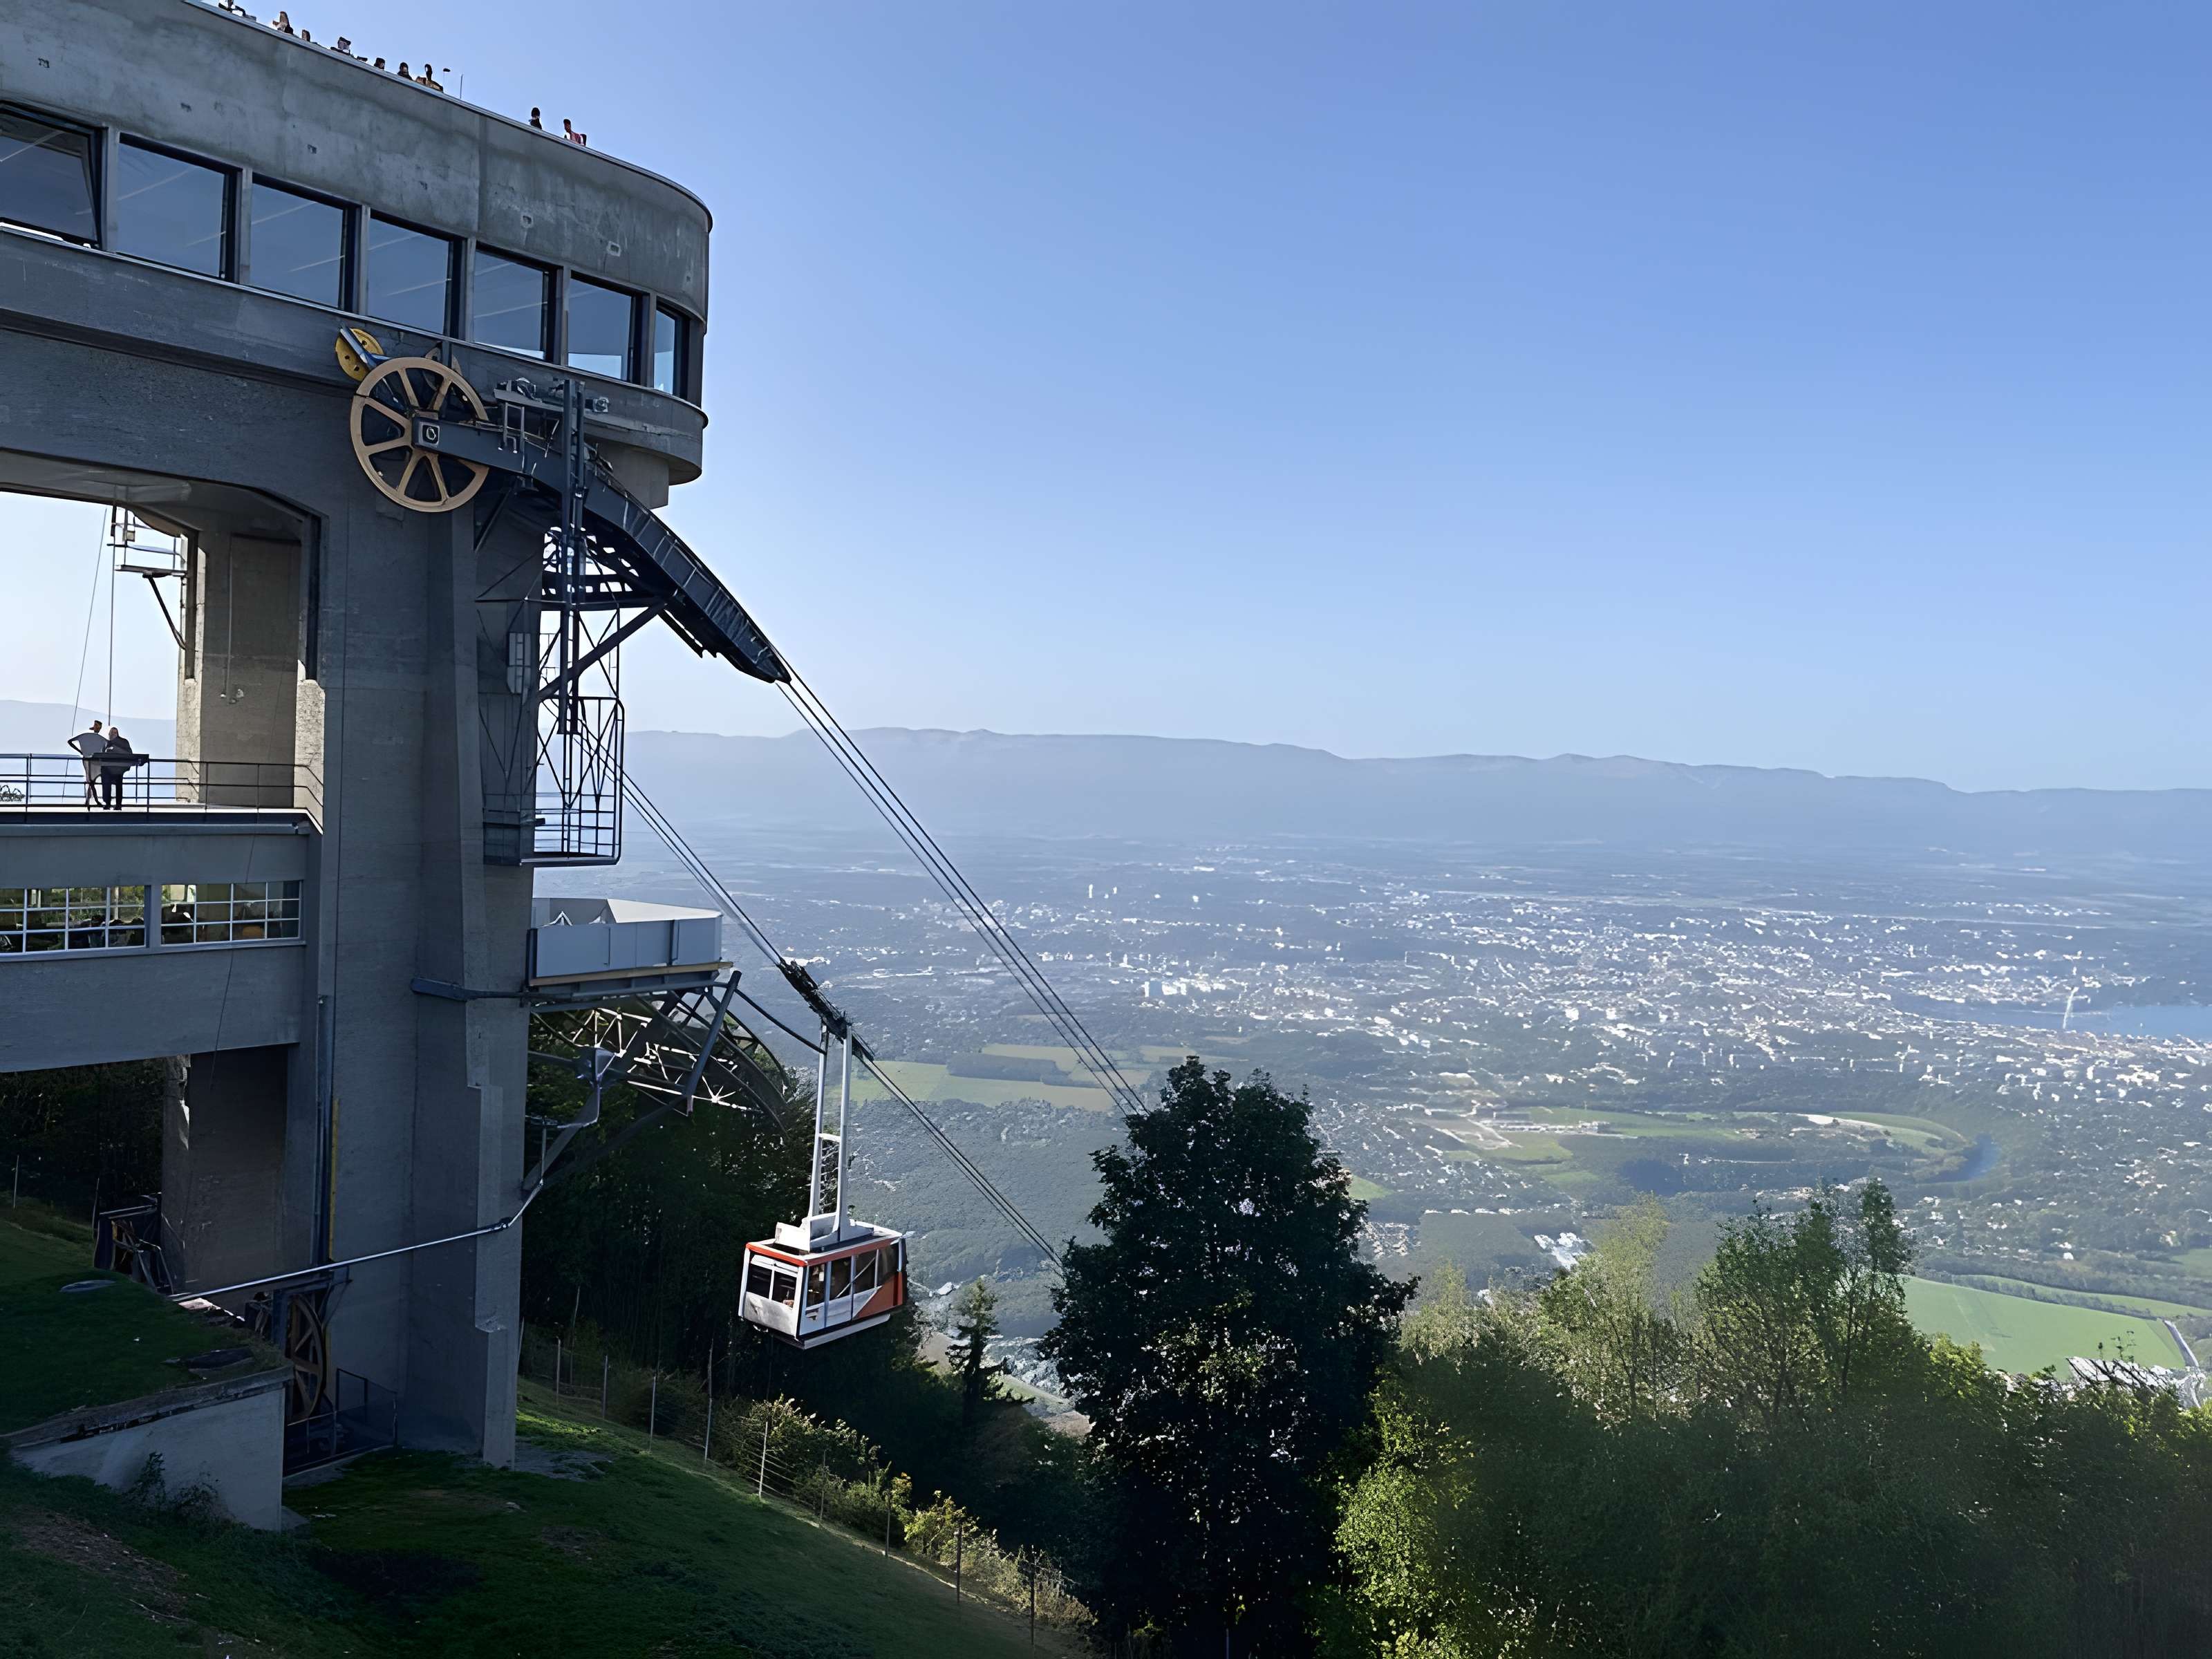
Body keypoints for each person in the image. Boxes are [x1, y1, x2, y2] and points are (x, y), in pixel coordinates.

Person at [67, 720, 106, 805]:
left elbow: (70, 742)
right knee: (91, 781)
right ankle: (93, 800)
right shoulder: (99, 738)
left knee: (91, 780)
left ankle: (89, 800)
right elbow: (108, 744)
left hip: (90, 759)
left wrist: (81, 751)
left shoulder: (93, 737)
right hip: (93, 760)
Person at [100, 727, 138, 810]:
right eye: (111, 733)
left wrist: (115, 748)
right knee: (106, 786)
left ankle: (118, 805)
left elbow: (129, 753)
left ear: (117, 734)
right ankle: (107, 804)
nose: (113, 734)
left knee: (119, 787)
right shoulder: (105, 743)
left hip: (118, 768)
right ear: (109, 734)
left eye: (115, 733)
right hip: (107, 768)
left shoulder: (123, 742)